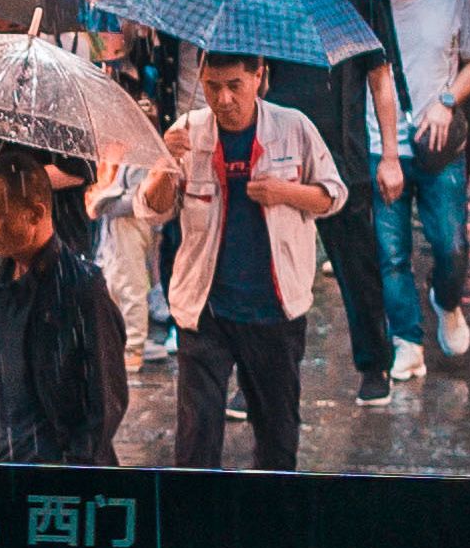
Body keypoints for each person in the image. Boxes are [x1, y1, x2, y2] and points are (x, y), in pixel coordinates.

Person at [137, 53, 346, 471]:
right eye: (213, 86)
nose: (224, 98)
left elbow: (332, 196)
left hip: (275, 309)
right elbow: (153, 210)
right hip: (205, 308)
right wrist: (164, 166)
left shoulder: (293, 127)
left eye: (235, 84)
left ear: (258, 76)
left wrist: (284, 193)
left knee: (277, 436)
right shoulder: (187, 131)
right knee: (196, 441)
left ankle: (270, 523)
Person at [264, 0, 411, 394]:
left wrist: (390, 155)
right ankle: (259, 377)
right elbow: (258, 81)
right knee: (274, 272)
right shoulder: (274, 7)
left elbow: (381, 81)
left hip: (343, 158)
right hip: (285, 159)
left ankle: (374, 365)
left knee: (359, 269)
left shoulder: (359, 4)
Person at [0, 148, 126, 465]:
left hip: (44, 477)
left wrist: (73, 469)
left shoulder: (81, 288)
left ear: (34, 214)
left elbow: (104, 402)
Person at [377, 0, 470, 364]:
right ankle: (406, 340)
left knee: (451, 245)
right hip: (381, 142)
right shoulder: (371, 0)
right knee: (391, 253)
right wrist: (387, 149)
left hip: (439, 145)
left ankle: (446, 301)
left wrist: (446, 101)